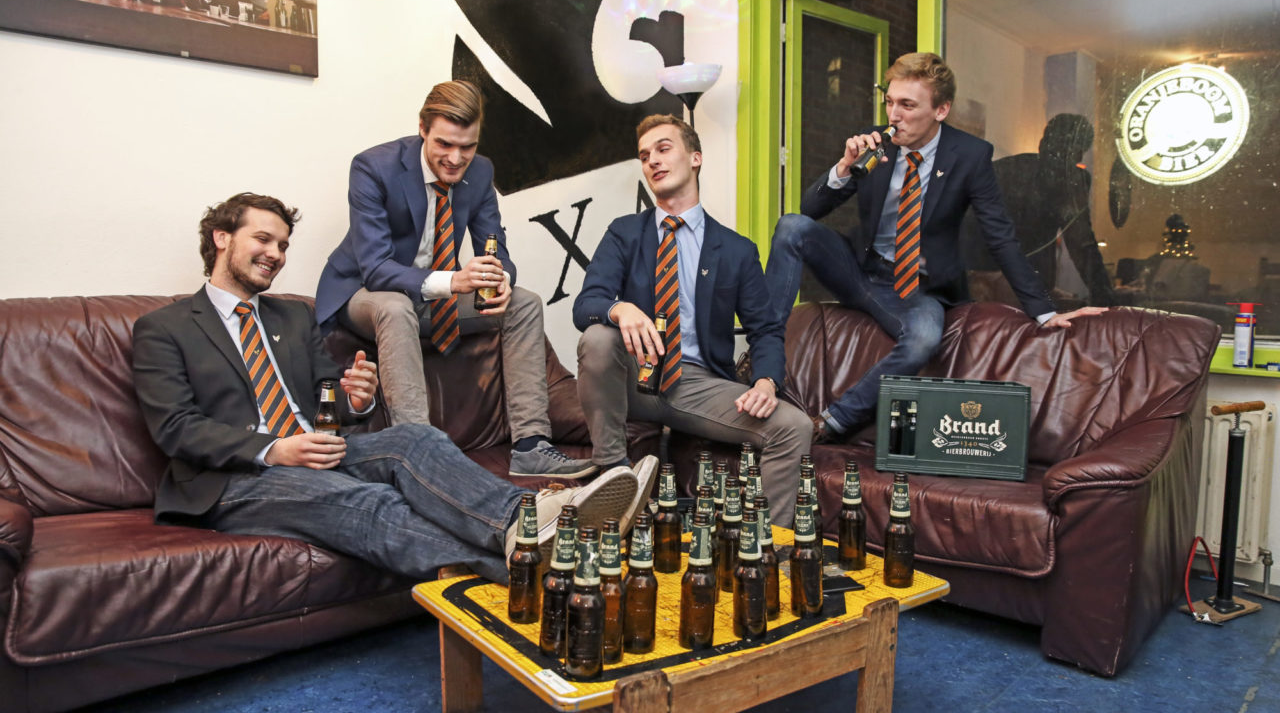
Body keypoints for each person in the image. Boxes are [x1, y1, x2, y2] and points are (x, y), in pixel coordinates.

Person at [131, 192, 651, 585]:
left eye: (283, 245)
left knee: (415, 439)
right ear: (222, 238)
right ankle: (537, 568)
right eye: (263, 240)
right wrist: (274, 449)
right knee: (372, 501)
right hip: (235, 479)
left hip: (320, 452)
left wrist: (356, 398)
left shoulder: (291, 316)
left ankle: (525, 520)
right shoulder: (164, 328)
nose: (276, 253)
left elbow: (328, 395)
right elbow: (176, 428)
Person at [765, 52, 1105, 441]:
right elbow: (810, 210)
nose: (894, 115)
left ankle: (830, 423)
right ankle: (765, 358)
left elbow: (1001, 236)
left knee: (924, 340)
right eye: (889, 102)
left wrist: (1043, 311)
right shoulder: (875, 143)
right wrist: (844, 167)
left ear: (941, 110)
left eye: (908, 105)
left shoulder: (970, 155)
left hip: (915, 288)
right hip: (858, 269)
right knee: (792, 226)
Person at [315, 81, 594, 480]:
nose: (456, 158)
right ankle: (420, 453)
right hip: (362, 291)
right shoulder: (373, 167)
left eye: (468, 147)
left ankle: (531, 445)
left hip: (432, 296)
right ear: (422, 129)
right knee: (395, 306)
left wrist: (500, 278)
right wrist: (454, 281)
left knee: (525, 302)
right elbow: (376, 269)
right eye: (444, 144)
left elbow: (495, 246)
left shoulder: (480, 172)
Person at [574, 114, 812, 524]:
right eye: (644, 156)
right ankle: (613, 475)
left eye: (663, 149)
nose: (652, 160)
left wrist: (766, 382)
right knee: (598, 337)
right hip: (635, 377)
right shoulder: (625, 233)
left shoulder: (736, 250)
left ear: (695, 157)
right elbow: (586, 304)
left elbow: (766, 329)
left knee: (795, 426)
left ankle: (765, 547)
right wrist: (621, 308)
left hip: (697, 384)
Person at [969, 114, 1118, 306]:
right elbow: (1081, 244)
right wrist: (1107, 299)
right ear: (1077, 152)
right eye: (1079, 150)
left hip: (975, 280)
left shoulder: (1003, 168)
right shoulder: (1069, 179)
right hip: (1010, 283)